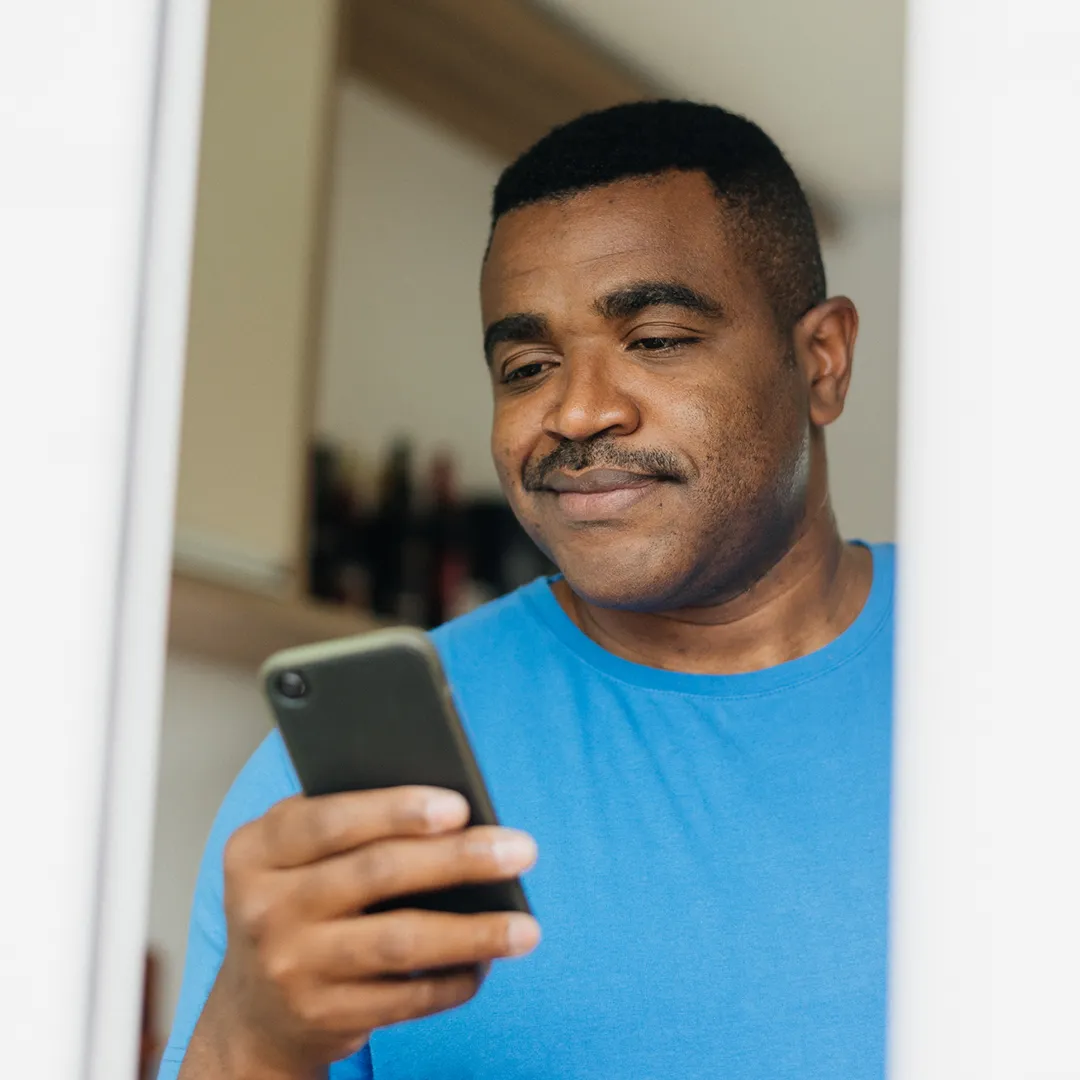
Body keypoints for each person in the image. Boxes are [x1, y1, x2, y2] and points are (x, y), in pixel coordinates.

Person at [162, 100, 892, 1080]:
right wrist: (253, 1043)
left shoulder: (1008, 657)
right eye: (527, 365)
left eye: (658, 339)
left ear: (823, 361)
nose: (577, 408)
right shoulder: (346, 797)